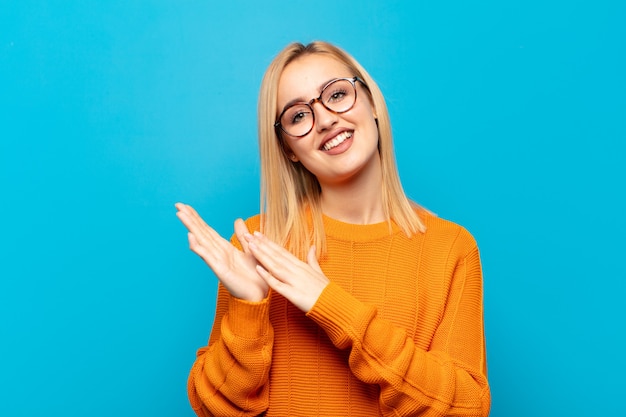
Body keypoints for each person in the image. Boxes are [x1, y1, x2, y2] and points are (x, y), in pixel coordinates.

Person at [175, 41, 490, 417]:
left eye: (337, 94)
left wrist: (332, 305)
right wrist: (248, 308)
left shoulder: (450, 248)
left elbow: (466, 407)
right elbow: (214, 408)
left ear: (371, 101)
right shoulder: (259, 244)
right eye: (297, 116)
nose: (325, 119)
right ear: (288, 148)